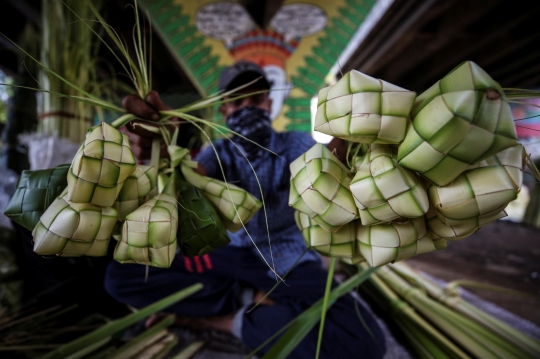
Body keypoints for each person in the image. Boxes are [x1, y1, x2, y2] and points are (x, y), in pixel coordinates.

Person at [104, 60, 387, 358]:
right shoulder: (218, 151)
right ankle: (249, 298)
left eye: (256, 98)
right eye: (238, 101)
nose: (248, 106)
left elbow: (317, 166)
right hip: (227, 255)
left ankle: (220, 321)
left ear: (269, 103)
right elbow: (196, 177)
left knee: (362, 341)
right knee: (122, 276)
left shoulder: (294, 143)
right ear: (225, 110)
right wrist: (165, 154)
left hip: (287, 261)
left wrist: (343, 150)